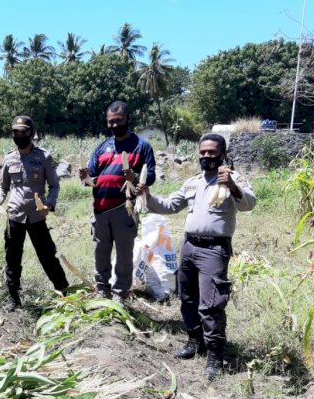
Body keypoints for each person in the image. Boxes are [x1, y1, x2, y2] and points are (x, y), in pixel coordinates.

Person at [140, 133, 256, 379]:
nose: (206, 156)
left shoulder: (232, 179)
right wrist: (147, 196)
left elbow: (249, 204)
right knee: (188, 298)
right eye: (202, 152)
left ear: (222, 154)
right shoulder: (193, 182)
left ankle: (215, 355)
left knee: (211, 305)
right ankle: (195, 341)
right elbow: (170, 205)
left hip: (214, 250)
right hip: (189, 247)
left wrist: (233, 187)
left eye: (211, 152)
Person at [78, 100, 156, 303]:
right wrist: (85, 177)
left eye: (118, 120)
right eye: (110, 121)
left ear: (128, 119)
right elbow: (92, 179)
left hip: (125, 209)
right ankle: (102, 289)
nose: (114, 125)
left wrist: (136, 178)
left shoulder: (141, 146)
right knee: (100, 252)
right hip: (100, 210)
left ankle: (121, 293)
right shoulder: (103, 146)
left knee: (123, 254)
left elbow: (151, 176)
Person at [0, 115, 69, 311]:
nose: (19, 136)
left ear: (31, 134)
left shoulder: (44, 157)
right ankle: (13, 297)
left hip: (37, 216)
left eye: (23, 132)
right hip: (15, 216)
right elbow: (3, 188)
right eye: (15, 132)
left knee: (47, 256)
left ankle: (64, 292)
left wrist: (49, 205)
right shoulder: (9, 158)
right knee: (12, 258)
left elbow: (54, 186)